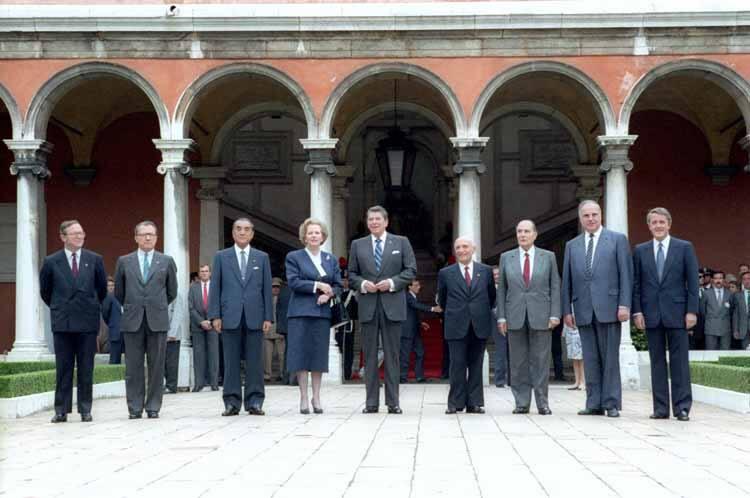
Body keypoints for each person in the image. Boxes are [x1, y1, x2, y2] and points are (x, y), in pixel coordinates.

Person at [562, 200, 633, 418]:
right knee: (590, 358)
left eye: (594, 214)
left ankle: (611, 402)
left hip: (610, 308)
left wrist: (624, 304)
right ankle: (593, 402)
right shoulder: (572, 245)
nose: (591, 219)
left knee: (610, 358)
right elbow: (567, 280)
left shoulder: (617, 240)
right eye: (586, 216)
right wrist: (567, 310)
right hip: (583, 309)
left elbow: (626, 275)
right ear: (580, 218)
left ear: (601, 215)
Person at [348, 205, 417, 414]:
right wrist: (362, 284)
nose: (374, 222)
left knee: (392, 355)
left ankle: (393, 402)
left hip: (393, 305)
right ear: (367, 222)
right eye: (371, 219)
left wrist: (392, 282)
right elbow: (351, 274)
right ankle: (371, 403)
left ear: (386, 222)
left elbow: (411, 270)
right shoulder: (357, 245)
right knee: (369, 356)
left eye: (378, 219)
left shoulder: (401, 242)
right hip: (368, 305)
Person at [632, 207, 698, 422]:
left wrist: (691, 311)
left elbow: (693, 283)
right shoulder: (640, 250)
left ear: (669, 224)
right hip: (651, 314)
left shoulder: (684, 248)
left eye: (662, 222)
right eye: (654, 222)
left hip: (678, 313)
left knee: (679, 362)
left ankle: (682, 408)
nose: (658, 225)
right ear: (649, 226)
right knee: (657, 362)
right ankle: (660, 408)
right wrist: (638, 312)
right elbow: (637, 285)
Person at [40, 220, 107, 423]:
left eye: (81, 232)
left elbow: (102, 290)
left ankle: (85, 409)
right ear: (63, 237)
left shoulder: (94, 259)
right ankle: (61, 409)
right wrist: (60, 307)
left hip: (87, 322)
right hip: (63, 323)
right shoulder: (52, 261)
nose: (80, 237)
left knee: (86, 367)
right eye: (74, 233)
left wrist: (90, 306)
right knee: (64, 367)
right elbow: (45, 291)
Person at [208, 217, 273, 416]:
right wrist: (215, 315)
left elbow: (267, 289)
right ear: (233, 233)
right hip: (229, 316)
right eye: (238, 229)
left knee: (255, 361)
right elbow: (215, 288)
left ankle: (255, 401)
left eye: (246, 229)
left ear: (252, 233)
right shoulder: (221, 256)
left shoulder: (262, 257)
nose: (242, 232)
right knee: (231, 361)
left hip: (255, 316)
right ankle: (231, 402)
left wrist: (268, 317)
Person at [114, 220, 177, 419]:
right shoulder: (124, 261)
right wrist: (135, 305)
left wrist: (155, 305)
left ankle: (153, 407)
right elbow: (119, 292)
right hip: (132, 320)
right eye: (143, 234)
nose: (148, 238)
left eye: (151, 234)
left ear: (157, 237)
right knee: (133, 367)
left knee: (157, 366)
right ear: (136, 238)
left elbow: (172, 292)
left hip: (157, 319)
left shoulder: (166, 261)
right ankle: (134, 407)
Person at [496, 220, 561, 415]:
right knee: (517, 362)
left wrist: (555, 313)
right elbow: (502, 290)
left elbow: (555, 286)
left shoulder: (548, 257)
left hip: (541, 315)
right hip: (514, 315)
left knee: (541, 361)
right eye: (519, 231)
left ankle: (543, 403)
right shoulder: (506, 257)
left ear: (535, 234)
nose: (522, 235)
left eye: (526, 231)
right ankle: (522, 402)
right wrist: (501, 317)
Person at [285, 219, 342, 414]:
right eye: (310, 233)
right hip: (300, 312)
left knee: (318, 356)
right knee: (300, 354)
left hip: (321, 313)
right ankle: (302, 396)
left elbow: (338, 285)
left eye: (317, 233)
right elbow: (293, 282)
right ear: (304, 236)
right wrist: (317, 286)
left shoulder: (330, 259)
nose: (314, 236)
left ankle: (316, 396)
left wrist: (329, 294)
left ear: (323, 236)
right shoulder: (294, 257)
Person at [437, 237, 496, 414]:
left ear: (473, 249)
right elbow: (443, 299)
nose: (462, 250)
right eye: (458, 247)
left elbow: (491, 296)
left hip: (480, 324)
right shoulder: (446, 273)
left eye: (465, 246)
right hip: (456, 324)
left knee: (476, 364)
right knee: (457, 364)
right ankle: (455, 403)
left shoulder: (485, 271)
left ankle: (474, 403)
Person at [400, 279, 441, 383]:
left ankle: (419, 376)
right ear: (409, 287)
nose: (419, 287)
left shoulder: (413, 296)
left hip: (415, 330)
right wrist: (433, 309)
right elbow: (416, 306)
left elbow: (412, 313)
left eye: (419, 285)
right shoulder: (407, 295)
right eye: (416, 285)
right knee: (405, 355)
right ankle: (402, 377)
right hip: (406, 331)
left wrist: (421, 323)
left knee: (420, 353)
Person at [188, 263, 219, 392]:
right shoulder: (193, 288)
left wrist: (211, 321)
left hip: (213, 325)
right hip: (198, 326)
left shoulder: (216, 287)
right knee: (198, 355)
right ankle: (198, 384)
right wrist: (201, 321)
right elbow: (191, 307)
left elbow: (220, 304)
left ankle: (214, 383)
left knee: (213, 355)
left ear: (210, 273)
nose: (204, 273)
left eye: (206, 271)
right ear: (199, 274)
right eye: (202, 271)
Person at [700, 270, 733, 350]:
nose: (718, 280)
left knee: (725, 354)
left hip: (725, 328)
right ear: (712, 280)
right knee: (710, 354)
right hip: (710, 328)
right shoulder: (706, 293)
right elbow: (702, 311)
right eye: (716, 278)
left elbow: (732, 311)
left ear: (724, 280)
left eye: (720, 278)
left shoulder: (730, 294)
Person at [334, 273, 358, 381]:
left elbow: (356, 312)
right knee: (339, 349)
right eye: (342, 280)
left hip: (349, 326)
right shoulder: (336, 293)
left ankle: (346, 373)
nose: (345, 282)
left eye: (346, 280)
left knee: (348, 350)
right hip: (337, 326)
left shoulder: (353, 294)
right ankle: (338, 372)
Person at [265, 277, 287, 381]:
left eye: (277, 287)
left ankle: (282, 374)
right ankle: (267, 375)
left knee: (281, 354)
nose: (275, 289)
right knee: (266, 355)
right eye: (273, 287)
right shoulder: (266, 299)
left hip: (279, 329)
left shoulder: (283, 298)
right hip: (268, 329)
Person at [490, 266, 509, 388]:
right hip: (496, 323)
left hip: (511, 322)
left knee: (512, 352)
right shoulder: (489, 289)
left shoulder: (508, 287)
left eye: (498, 274)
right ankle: (499, 380)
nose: (496, 276)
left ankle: (512, 380)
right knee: (501, 350)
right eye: (494, 275)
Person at [101, 276, 123, 365]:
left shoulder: (122, 296)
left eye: (112, 285)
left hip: (127, 333)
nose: (111, 287)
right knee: (114, 360)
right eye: (108, 285)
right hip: (115, 332)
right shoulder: (108, 298)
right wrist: (111, 323)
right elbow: (105, 313)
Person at [163, 301, 181, 394]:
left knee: (171, 363)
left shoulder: (176, 296)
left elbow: (177, 315)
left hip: (172, 336)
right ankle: (164, 385)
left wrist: (172, 333)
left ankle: (171, 386)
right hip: (161, 334)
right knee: (163, 362)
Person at [562, 323, 584, 390]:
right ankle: (577, 381)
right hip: (569, 328)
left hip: (579, 326)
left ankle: (583, 381)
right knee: (574, 356)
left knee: (581, 357)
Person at [733, 271, 750, 350]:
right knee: (745, 353)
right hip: (743, 330)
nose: (747, 281)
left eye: (749, 278)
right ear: (742, 281)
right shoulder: (737, 295)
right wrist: (735, 330)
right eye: (744, 279)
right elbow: (736, 314)